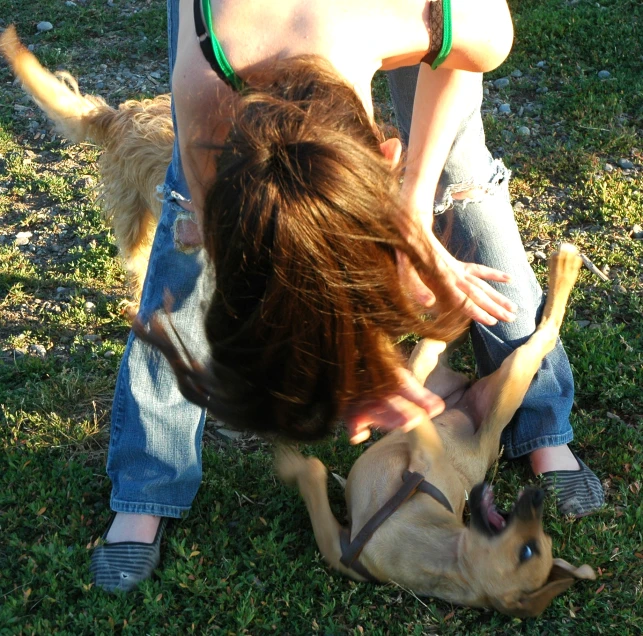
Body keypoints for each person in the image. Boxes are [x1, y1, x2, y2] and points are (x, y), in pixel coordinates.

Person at [90, 0, 603, 592]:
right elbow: (224, 232)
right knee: (192, 206)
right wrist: (210, 218)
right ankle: (145, 487)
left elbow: (462, 59)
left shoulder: (463, 21)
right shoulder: (207, 65)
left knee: (460, 174)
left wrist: (414, 208)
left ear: (389, 156)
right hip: (243, 38)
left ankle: (542, 423)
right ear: (389, 155)